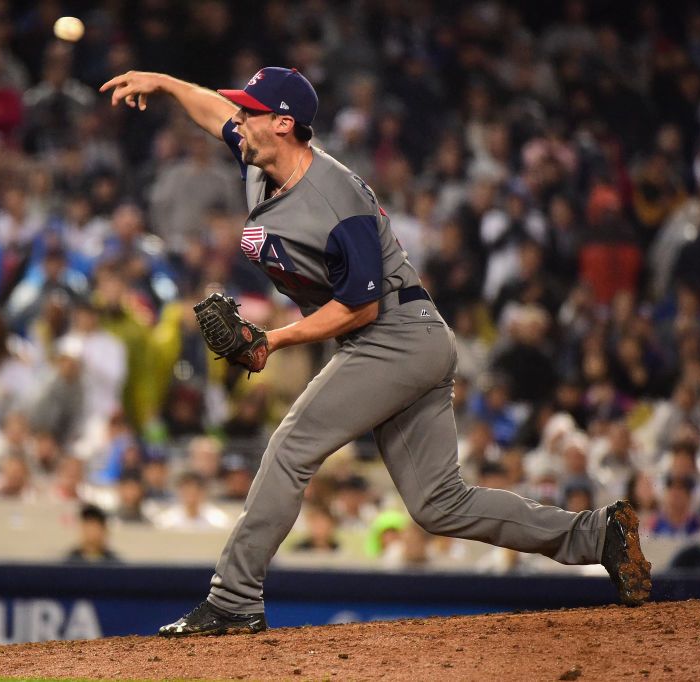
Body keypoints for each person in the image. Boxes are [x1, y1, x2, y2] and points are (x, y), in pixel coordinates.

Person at [101, 67, 652, 637]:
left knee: (292, 445)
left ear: (284, 124)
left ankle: (234, 598)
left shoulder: (339, 201)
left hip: (396, 334)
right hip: (401, 338)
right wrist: (163, 83)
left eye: (252, 112)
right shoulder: (259, 154)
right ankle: (597, 534)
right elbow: (212, 108)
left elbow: (360, 309)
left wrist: (273, 339)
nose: (238, 120)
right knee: (440, 503)